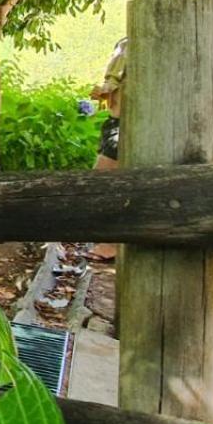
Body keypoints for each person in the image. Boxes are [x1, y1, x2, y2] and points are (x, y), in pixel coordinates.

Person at [88, 39, 127, 261]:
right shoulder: (124, 43)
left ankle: (112, 242)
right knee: (104, 180)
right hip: (115, 120)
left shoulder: (139, 42)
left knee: (105, 181)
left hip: (125, 123)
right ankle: (109, 239)